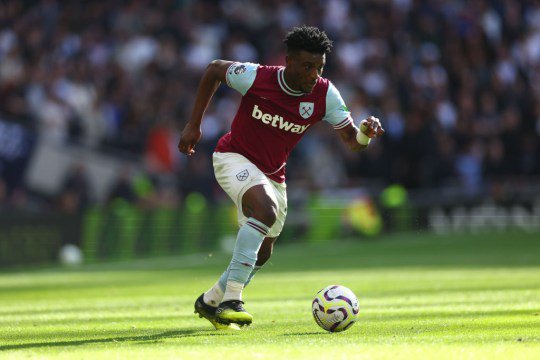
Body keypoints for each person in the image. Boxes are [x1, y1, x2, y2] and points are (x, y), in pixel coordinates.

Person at [178, 25, 385, 330]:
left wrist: (366, 134)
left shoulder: (325, 94)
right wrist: (193, 125)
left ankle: (210, 300)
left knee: (262, 252)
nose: (313, 74)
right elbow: (213, 70)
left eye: (319, 67)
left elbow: (353, 142)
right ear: (288, 61)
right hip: (233, 157)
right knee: (265, 210)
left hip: (274, 173)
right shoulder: (256, 76)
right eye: (307, 66)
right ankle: (232, 299)